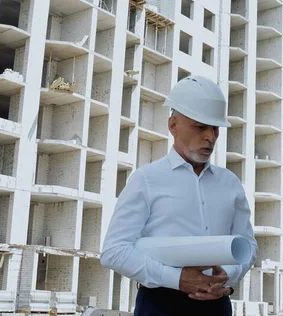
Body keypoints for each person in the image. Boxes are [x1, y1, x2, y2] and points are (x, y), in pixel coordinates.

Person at [100, 75, 258, 316]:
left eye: (215, 128)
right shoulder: (146, 179)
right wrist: (177, 279)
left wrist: (228, 275)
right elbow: (114, 251)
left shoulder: (230, 183)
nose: (210, 137)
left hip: (217, 305)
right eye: (200, 126)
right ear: (173, 125)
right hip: (160, 305)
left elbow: (248, 245)